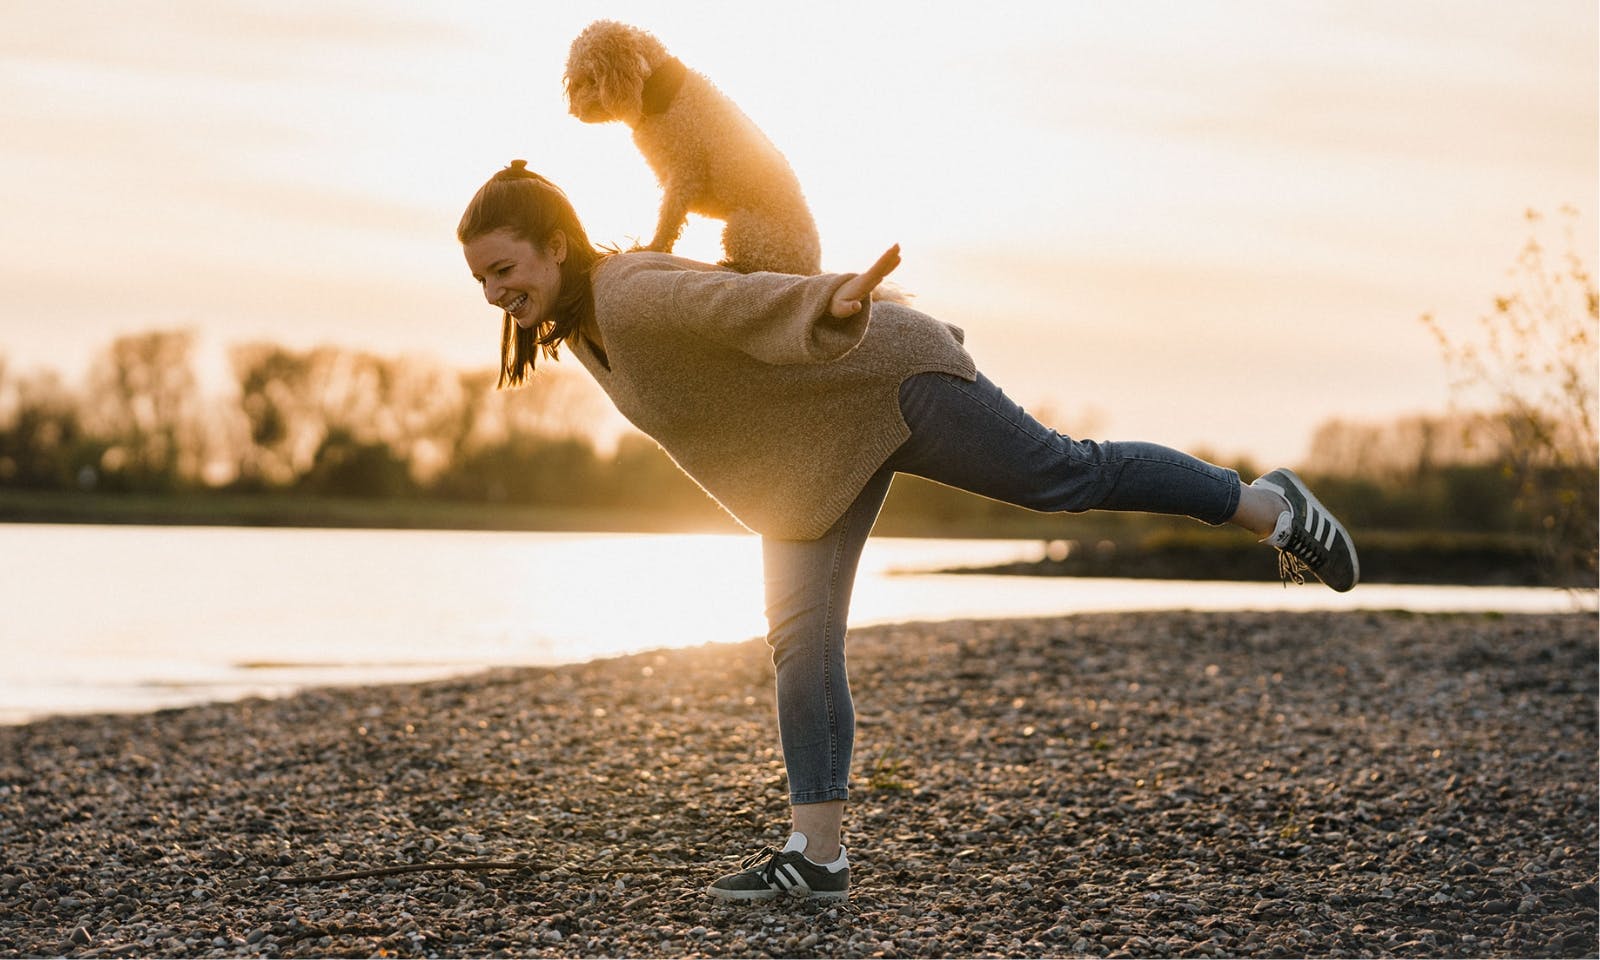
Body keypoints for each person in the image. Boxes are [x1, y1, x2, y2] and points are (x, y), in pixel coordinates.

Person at [457, 160, 1359, 902]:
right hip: (810, 457)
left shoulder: (628, 292)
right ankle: (817, 857)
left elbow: (736, 303)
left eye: (506, 270)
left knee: (1062, 475)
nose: (497, 292)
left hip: (887, 379)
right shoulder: (580, 327)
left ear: (557, 247)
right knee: (800, 645)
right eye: (483, 281)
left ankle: (1269, 508)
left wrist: (828, 301)